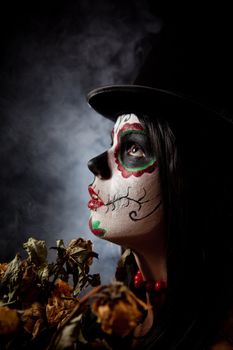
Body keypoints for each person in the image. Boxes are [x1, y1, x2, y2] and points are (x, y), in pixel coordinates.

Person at [86, 10, 233, 350]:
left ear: (190, 177)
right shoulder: (106, 319)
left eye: (133, 148)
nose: (96, 164)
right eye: (111, 144)